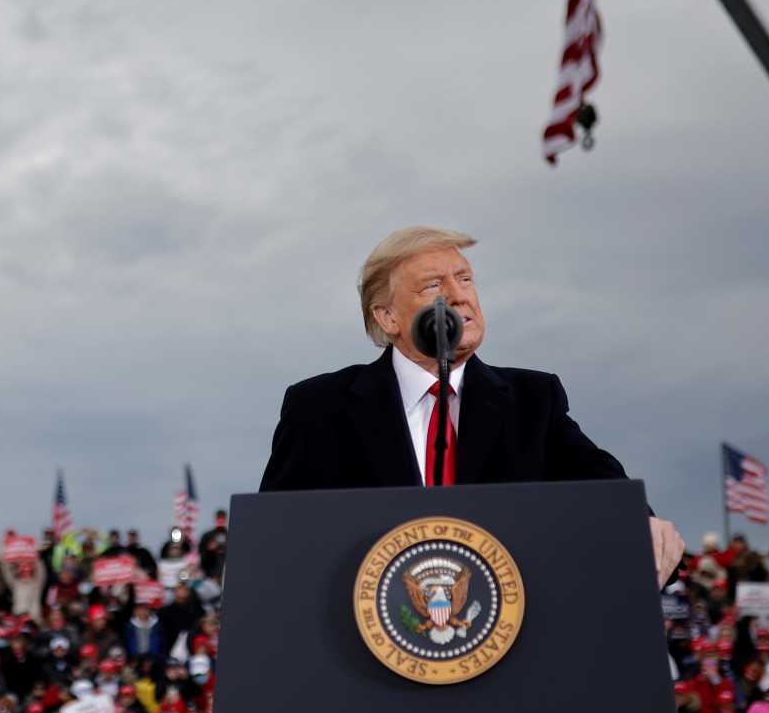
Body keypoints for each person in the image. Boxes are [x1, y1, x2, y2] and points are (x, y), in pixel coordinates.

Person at [258, 226, 685, 585]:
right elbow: (273, 544)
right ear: (387, 317)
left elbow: (602, 484)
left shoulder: (533, 400)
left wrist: (643, 525)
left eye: (465, 279)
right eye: (433, 285)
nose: (458, 296)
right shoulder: (320, 408)